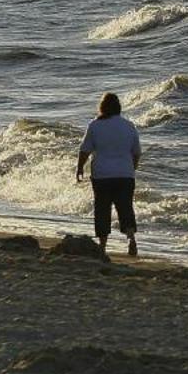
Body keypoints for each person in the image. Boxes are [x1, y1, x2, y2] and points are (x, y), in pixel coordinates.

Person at [75, 91, 142, 257]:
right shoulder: (129, 125)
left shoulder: (95, 125)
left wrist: (80, 168)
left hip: (102, 175)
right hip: (125, 174)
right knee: (125, 207)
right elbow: (136, 152)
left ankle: (103, 246)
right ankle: (131, 239)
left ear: (102, 107)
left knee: (102, 209)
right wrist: (132, 169)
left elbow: (85, 150)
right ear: (119, 107)